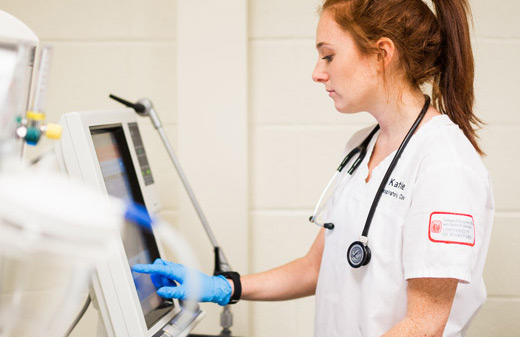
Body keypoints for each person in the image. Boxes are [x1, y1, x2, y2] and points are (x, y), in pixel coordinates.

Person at [133, 0, 494, 335]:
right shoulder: (360, 146)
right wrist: (225, 286)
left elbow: (425, 323)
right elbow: (316, 267)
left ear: (382, 54)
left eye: (328, 56)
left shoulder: (444, 163)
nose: (317, 73)